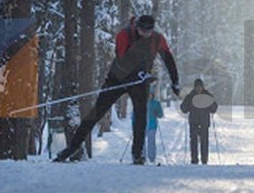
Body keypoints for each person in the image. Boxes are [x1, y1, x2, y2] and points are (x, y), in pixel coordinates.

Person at [55, 15, 180, 164]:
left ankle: (138, 154)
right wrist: (138, 73)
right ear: (137, 27)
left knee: (141, 117)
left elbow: (169, 59)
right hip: (118, 78)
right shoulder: (124, 35)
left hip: (140, 82)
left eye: (148, 31)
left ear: (152, 30)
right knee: (97, 112)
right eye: (142, 30)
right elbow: (122, 57)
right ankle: (72, 147)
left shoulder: (158, 39)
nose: (145, 34)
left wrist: (175, 81)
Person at [180, 78, 218, 164]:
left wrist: (212, 107)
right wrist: (185, 107)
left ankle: (204, 159)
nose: (198, 89)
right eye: (197, 87)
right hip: (194, 122)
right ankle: (194, 159)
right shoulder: (190, 96)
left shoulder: (207, 96)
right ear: (195, 87)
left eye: (200, 87)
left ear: (202, 87)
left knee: (204, 141)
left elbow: (214, 107)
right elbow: (183, 108)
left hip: (204, 122)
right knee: (193, 141)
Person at [132, 90, 164, 163]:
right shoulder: (140, 103)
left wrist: (157, 112)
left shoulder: (156, 103)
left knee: (151, 142)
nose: (149, 96)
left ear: (152, 95)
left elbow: (160, 114)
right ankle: (142, 157)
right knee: (141, 141)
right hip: (141, 125)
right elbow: (134, 113)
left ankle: (152, 158)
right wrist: (134, 123)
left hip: (152, 125)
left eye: (150, 94)